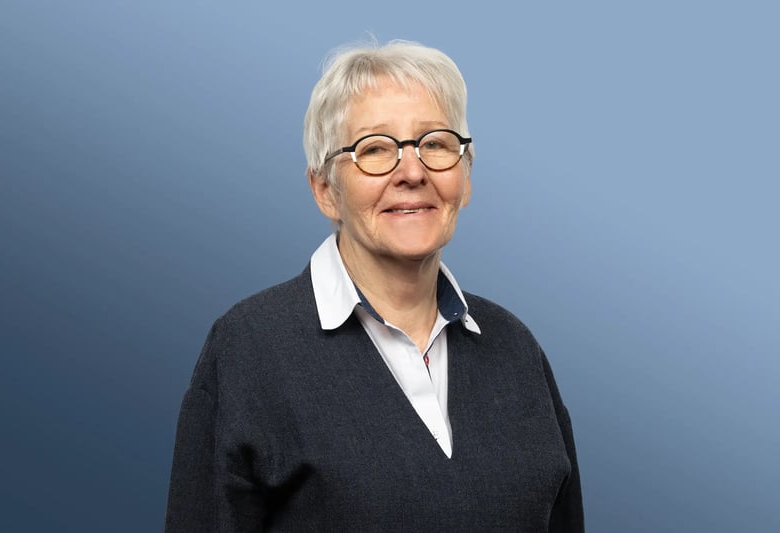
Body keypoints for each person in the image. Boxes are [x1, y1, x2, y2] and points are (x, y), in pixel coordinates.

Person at [165, 39, 584, 532]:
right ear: (325, 190)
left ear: (466, 176)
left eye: (435, 144)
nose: (413, 172)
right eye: (375, 149)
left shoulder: (515, 349)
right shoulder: (250, 349)